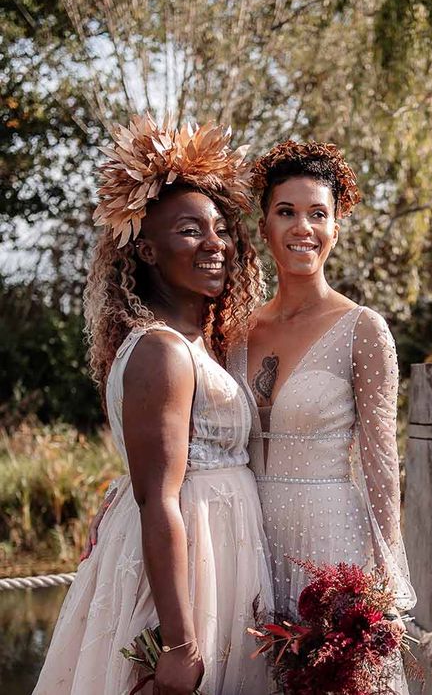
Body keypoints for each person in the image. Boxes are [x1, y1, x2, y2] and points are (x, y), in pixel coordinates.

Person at [33, 113, 273, 695]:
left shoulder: (196, 344)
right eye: (190, 231)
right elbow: (157, 499)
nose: (215, 244)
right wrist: (179, 644)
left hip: (223, 553)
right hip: (187, 572)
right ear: (145, 249)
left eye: (219, 228)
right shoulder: (161, 352)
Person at [227, 141, 416, 691]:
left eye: (318, 214)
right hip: (245, 534)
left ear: (336, 228)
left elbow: (382, 464)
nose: (301, 228)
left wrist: (389, 580)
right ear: (263, 226)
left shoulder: (363, 329)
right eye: (286, 212)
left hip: (329, 536)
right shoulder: (234, 328)